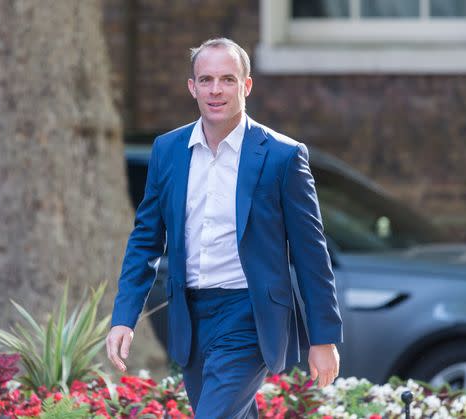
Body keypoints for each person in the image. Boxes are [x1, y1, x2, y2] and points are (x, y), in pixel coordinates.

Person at [106, 37, 343, 418]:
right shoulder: (168, 151)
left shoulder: (282, 156)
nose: (216, 90)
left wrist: (324, 337)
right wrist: (124, 317)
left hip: (249, 315)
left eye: (228, 79)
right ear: (192, 87)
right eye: (206, 79)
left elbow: (311, 253)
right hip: (192, 317)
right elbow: (146, 240)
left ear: (246, 86)